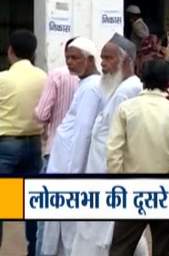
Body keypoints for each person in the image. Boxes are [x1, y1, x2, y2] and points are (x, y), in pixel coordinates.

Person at [71, 34, 147, 256]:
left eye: (108, 58)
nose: (103, 63)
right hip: (100, 169)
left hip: (108, 172)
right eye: (102, 58)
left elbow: (119, 139)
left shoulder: (127, 90)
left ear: (126, 61)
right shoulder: (117, 87)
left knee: (104, 232)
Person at [107, 60, 169, 256]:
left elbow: (114, 151)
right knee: (162, 248)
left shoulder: (126, 109)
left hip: (132, 190)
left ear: (142, 78)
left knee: (121, 248)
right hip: (165, 192)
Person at [42, 37, 103, 256]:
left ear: (90, 60)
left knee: (69, 235)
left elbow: (83, 134)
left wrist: (75, 176)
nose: (69, 62)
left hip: (70, 171)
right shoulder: (85, 84)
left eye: (75, 58)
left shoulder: (91, 88)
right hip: (63, 165)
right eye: (67, 57)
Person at [0, 30, 47, 256]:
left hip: (6, 146)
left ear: (10, 51)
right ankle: (33, 251)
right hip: (34, 145)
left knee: (3, 203)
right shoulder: (44, 77)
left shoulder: (3, 79)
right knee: (31, 203)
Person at [34, 37, 79, 256]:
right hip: (79, 155)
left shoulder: (57, 75)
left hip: (54, 152)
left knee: (46, 215)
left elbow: (42, 114)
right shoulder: (93, 81)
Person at [35, 37, 79, 166]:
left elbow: (42, 114)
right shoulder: (97, 79)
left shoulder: (57, 75)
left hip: (56, 146)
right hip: (82, 149)